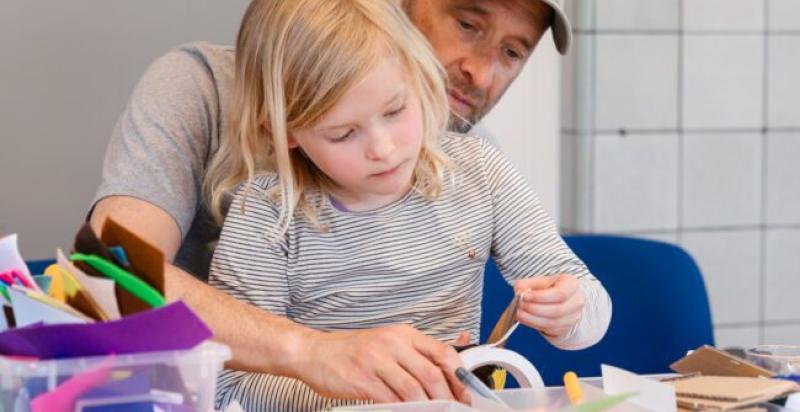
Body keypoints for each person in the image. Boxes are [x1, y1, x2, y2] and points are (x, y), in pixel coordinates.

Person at [88, 0, 594, 404]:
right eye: (467, 23)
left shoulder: (475, 167)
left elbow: (578, 302)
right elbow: (108, 274)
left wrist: (566, 309)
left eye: (512, 52)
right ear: (283, 132)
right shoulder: (245, 173)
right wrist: (319, 359)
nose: (481, 74)